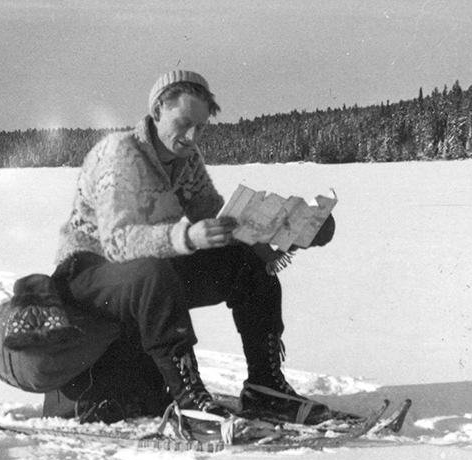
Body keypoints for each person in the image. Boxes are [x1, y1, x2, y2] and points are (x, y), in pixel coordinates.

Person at [50, 70, 336, 425]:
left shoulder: (186, 160)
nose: (191, 136)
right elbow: (117, 243)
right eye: (184, 123)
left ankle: (265, 387)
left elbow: (215, 219)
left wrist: (279, 234)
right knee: (152, 271)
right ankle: (187, 397)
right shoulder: (120, 154)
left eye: (200, 128)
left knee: (244, 264)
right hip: (87, 278)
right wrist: (185, 238)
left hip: (147, 276)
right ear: (156, 111)